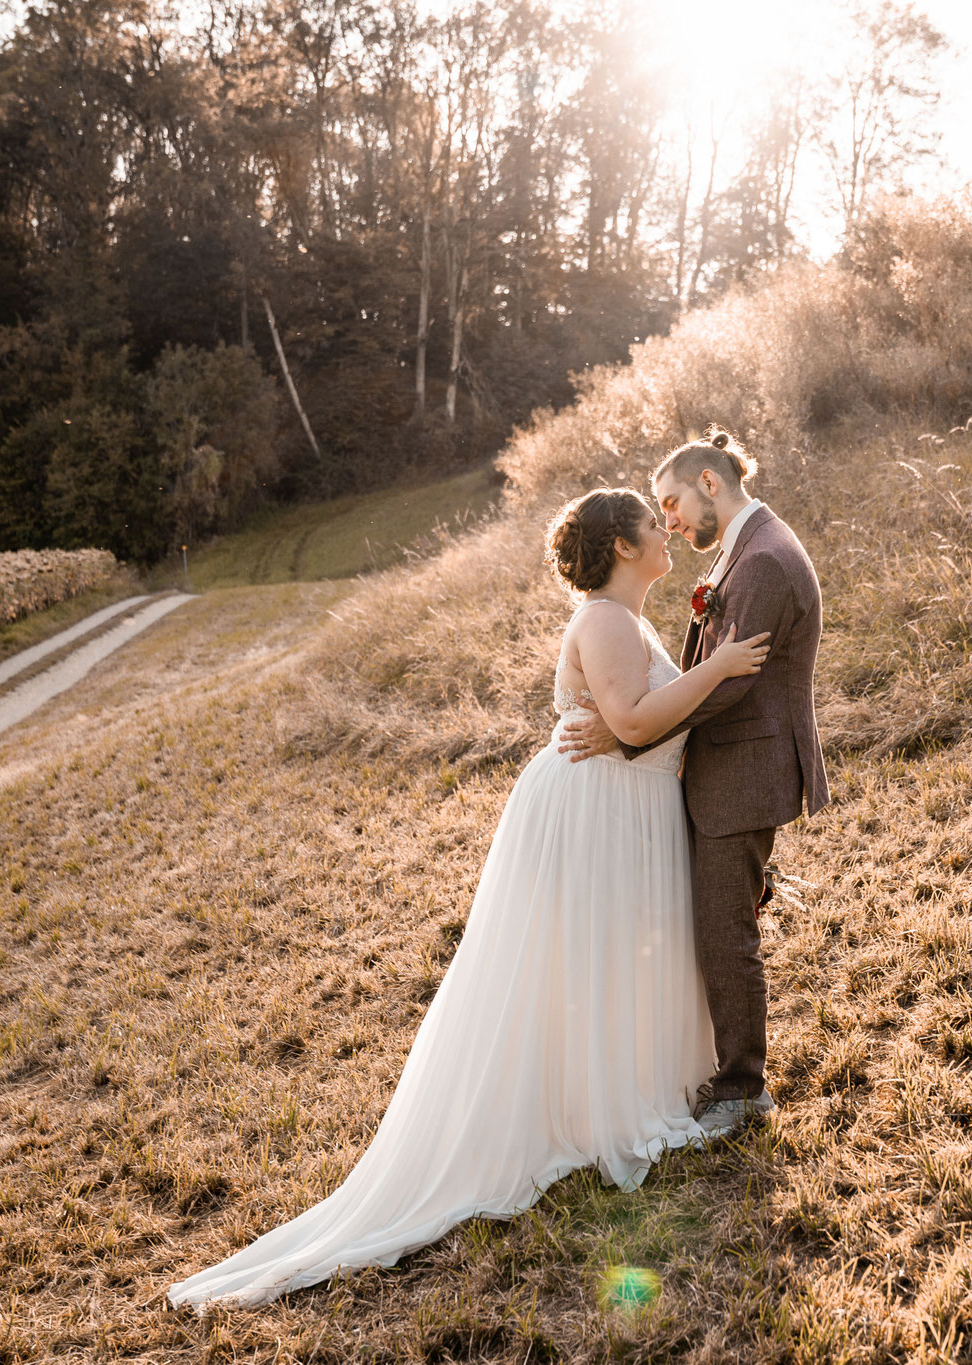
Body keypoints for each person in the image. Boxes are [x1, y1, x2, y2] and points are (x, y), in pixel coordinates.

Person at [167, 487, 769, 1311]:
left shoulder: (628, 620)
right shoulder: (602, 619)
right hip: (595, 810)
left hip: (627, 808)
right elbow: (628, 718)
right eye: (650, 520)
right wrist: (719, 668)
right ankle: (588, 1113)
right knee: (575, 964)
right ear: (622, 546)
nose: (667, 528)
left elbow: (636, 722)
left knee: (606, 963)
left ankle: (613, 1093)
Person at [558, 428, 828, 1139]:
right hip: (723, 769)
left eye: (671, 502)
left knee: (725, 934)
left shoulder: (763, 558)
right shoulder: (749, 547)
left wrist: (627, 730)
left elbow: (732, 688)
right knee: (717, 926)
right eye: (658, 513)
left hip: (741, 767)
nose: (670, 520)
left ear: (710, 483)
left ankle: (742, 1087)